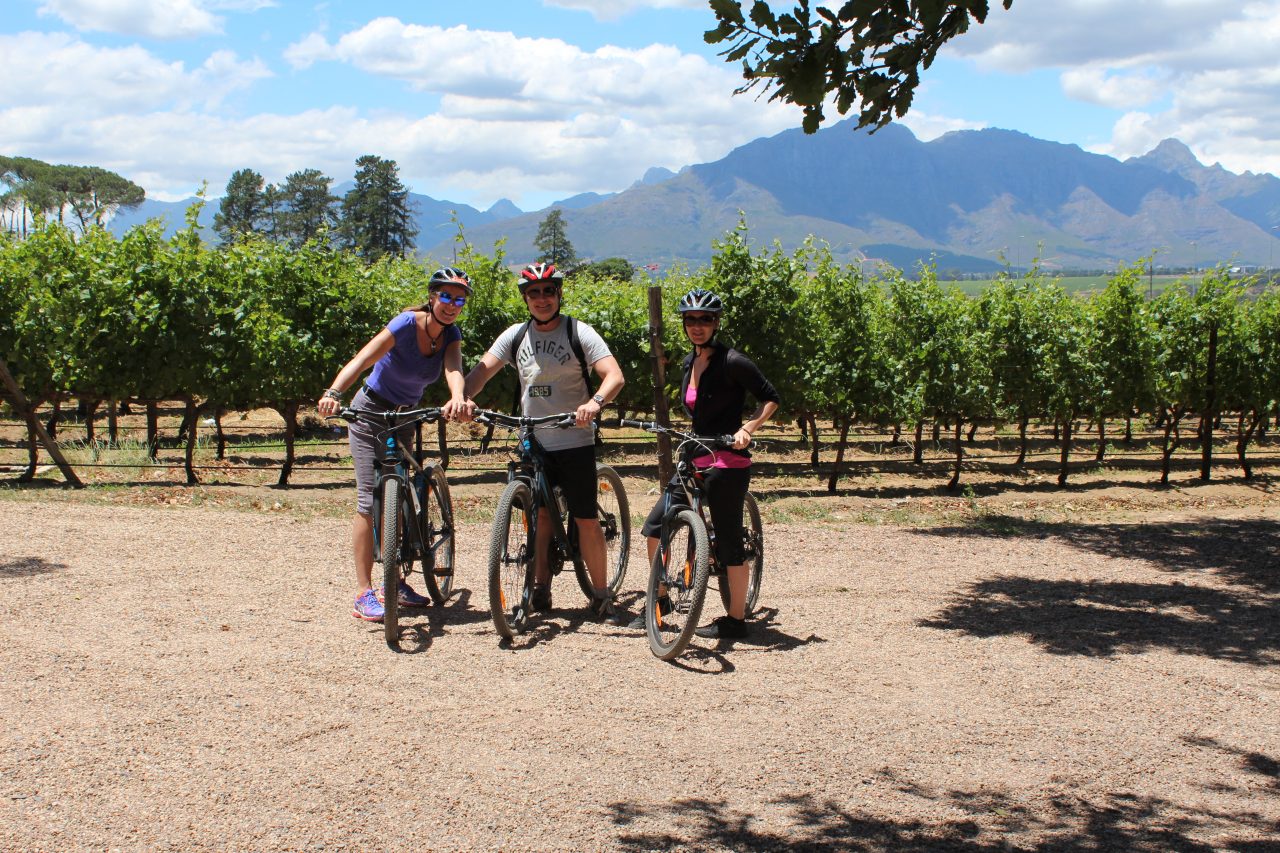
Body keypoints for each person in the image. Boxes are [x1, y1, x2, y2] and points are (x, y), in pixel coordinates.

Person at [462, 262, 626, 619]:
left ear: (559, 294)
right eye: (533, 293)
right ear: (525, 298)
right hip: (533, 441)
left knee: (585, 519)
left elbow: (614, 375)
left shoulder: (579, 332)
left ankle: (600, 594)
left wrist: (594, 403)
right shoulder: (515, 336)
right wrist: (463, 396)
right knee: (539, 516)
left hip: (575, 440)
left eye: (548, 291)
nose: (541, 299)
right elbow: (481, 372)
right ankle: (540, 589)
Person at [317, 267, 473, 622]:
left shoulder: (451, 335)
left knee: (399, 494)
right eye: (446, 296)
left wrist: (458, 397)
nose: (451, 305)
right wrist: (333, 392)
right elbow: (362, 359)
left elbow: (453, 370)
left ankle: (394, 581)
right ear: (432, 296)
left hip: (405, 416)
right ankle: (363, 592)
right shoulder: (405, 323)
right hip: (369, 409)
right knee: (369, 498)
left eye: (459, 300)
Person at [636, 288, 779, 639]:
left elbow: (771, 398)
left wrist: (747, 428)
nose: (697, 326)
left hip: (728, 459)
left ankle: (735, 620)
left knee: (729, 541)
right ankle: (661, 598)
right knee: (656, 527)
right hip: (695, 454)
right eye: (691, 320)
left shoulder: (733, 361)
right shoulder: (689, 362)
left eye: (705, 319)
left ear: (716, 322)